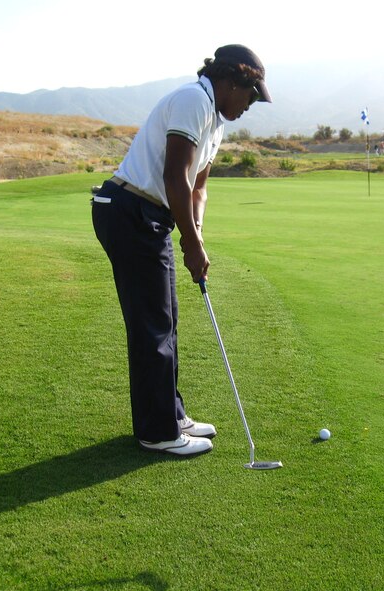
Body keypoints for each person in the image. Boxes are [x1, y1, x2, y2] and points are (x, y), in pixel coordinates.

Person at [91, 45, 271, 456]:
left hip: (150, 216)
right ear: (228, 83)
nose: (251, 104)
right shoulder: (193, 100)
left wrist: (198, 235)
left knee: (166, 319)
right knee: (152, 325)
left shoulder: (216, 120)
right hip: (131, 211)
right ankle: (158, 432)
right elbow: (176, 177)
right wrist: (188, 242)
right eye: (250, 94)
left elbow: (199, 187)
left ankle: (170, 413)